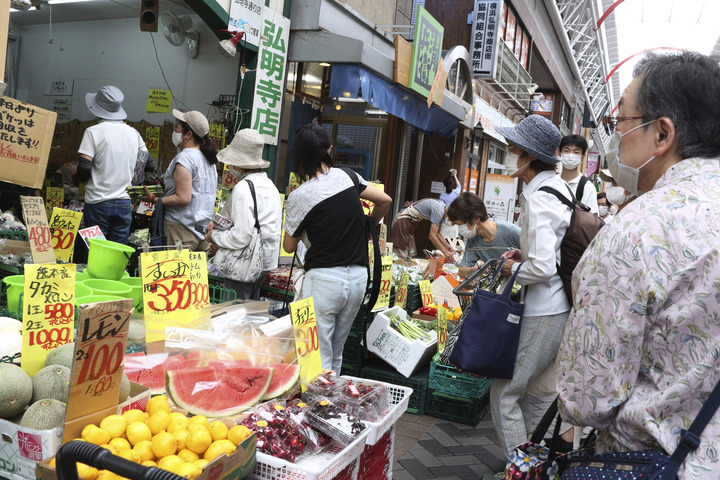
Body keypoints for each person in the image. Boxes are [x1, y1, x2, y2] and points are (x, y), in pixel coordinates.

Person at [556, 51, 720, 480]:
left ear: (662, 133)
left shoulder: (637, 231)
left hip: (650, 464)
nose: (616, 138)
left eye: (621, 122)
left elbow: (586, 400)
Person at [484, 114, 572, 460]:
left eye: (513, 147)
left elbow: (542, 266)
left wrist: (511, 266)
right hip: (557, 305)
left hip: (544, 308)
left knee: (505, 393)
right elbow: (552, 250)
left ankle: (521, 468)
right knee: (522, 390)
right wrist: (526, 253)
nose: (508, 152)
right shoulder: (558, 188)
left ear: (528, 155)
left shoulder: (538, 197)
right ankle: (527, 457)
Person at [283, 123, 391, 371]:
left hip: (324, 280)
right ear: (329, 150)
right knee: (337, 352)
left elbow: (289, 247)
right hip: (358, 279)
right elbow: (385, 201)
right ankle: (334, 403)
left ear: (298, 157)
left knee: (318, 354)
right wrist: (369, 225)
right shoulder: (349, 176)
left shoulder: (300, 195)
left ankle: (320, 407)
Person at [205, 129, 282, 300]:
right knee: (250, 311)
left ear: (239, 163)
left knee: (234, 314)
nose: (230, 167)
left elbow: (241, 236)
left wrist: (214, 235)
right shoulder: (270, 186)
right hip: (265, 261)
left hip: (244, 262)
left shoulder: (243, 188)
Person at [78, 85, 147, 244]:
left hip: (97, 204)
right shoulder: (133, 132)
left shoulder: (92, 132)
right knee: (117, 254)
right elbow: (146, 164)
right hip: (124, 203)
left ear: (97, 107)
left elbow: (83, 171)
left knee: (95, 253)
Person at [143, 109, 217, 252]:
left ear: (188, 134)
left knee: (175, 273)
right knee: (194, 274)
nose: (175, 132)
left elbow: (183, 198)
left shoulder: (185, 158)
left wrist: (154, 199)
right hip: (202, 232)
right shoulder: (209, 159)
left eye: (177, 128)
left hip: (181, 230)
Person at [446, 192, 520, 278]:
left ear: (475, 219)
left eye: (459, 224)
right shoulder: (473, 241)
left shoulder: (511, 231)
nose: (459, 229)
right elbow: (462, 272)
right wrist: (481, 268)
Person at [389, 198, 456, 263]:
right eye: (453, 222)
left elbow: (438, 233)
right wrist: (445, 252)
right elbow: (432, 236)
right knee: (401, 259)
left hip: (409, 224)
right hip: (402, 221)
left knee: (407, 258)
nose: (452, 224)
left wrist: (447, 246)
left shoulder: (443, 210)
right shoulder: (439, 211)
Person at [557, 134, 598, 214]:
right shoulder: (552, 181)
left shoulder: (587, 187)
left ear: (583, 156)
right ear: (559, 153)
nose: (571, 155)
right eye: (567, 151)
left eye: (576, 152)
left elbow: (591, 221)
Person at [439, 168, 462, 240]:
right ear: (452, 184)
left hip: (445, 220)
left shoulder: (442, 195)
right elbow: (459, 185)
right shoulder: (456, 193)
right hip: (454, 219)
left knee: (443, 240)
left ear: (444, 185)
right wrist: (455, 175)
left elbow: (441, 208)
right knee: (453, 242)